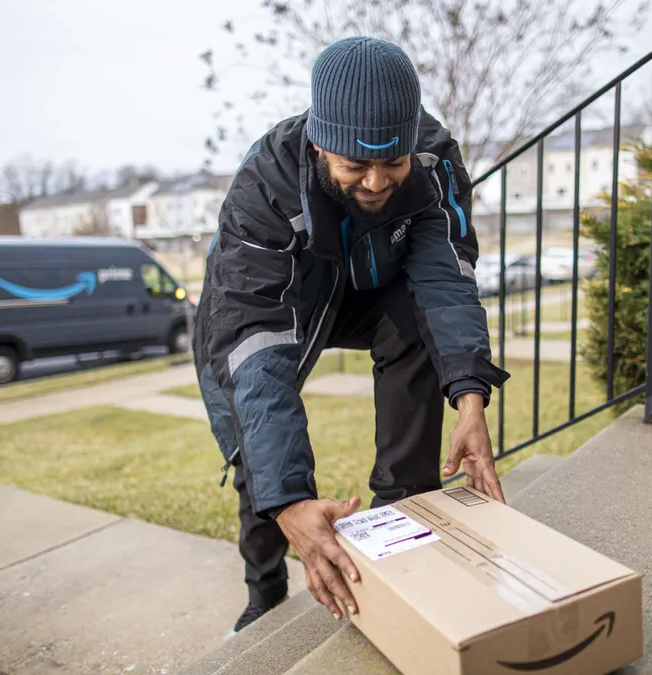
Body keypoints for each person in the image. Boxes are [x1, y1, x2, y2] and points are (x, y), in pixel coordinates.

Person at [192, 35, 510, 637]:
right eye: (354, 166)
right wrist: (289, 501)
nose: (375, 182)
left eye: (392, 164)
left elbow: (446, 282)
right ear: (319, 146)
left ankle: (401, 522)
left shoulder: (435, 161)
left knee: (417, 316)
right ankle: (263, 595)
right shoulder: (264, 186)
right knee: (256, 452)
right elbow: (256, 344)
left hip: (365, 293)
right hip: (262, 311)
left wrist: (470, 396)